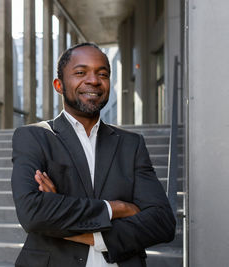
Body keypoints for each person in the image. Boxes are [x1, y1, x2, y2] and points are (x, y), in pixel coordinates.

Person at [11, 43, 176, 267]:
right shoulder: (34, 137)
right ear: (59, 85)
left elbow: (162, 222)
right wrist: (117, 208)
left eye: (103, 74)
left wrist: (89, 233)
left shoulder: (131, 144)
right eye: (80, 72)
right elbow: (33, 212)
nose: (94, 80)